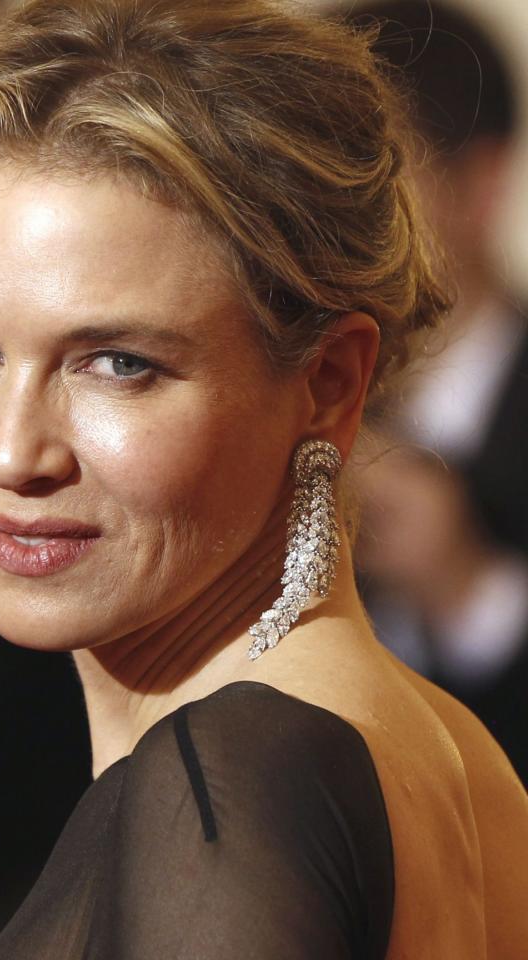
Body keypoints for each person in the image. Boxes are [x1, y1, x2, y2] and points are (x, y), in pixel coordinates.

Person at [0, 1, 525, 957]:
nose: (10, 453)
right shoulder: (448, 755)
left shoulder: (227, 788)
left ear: (329, 382)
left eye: (117, 363)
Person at [348, 0, 528, 784]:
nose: (332, 225)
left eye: (373, 183)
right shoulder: (281, 399)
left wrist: (465, 587)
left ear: (481, 184)